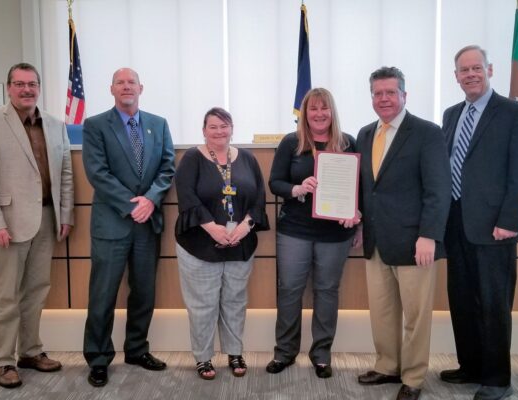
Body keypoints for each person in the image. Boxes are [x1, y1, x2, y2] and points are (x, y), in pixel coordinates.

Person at [440, 45, 518, 400]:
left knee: (494, 305)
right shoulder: (451, 115)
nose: (470, 75)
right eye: (463, 70)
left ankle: (497, 380)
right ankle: (471, 367)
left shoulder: (514, 113)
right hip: (455, 223)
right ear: (456, 76)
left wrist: (511, 220)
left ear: (490, 69)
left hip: (495, 227)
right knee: (462, 300)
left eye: (476, 68)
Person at [0, 63, 74, 388]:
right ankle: (4, 361)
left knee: (37, 291)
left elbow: (66, 173)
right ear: (9, 87)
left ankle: (30, 351)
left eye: (31, 84)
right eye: (19, 84)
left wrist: (65, 215)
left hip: (47, 219)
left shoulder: (56, 125)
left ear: (39, 87)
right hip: (9, 224)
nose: (26, 89)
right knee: (7, 296)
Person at [356, 67, 451, 400]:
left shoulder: (427, 132)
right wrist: (357, 221)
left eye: (390, 92)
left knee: (415, 315)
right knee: (381, 312)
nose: (384, 99)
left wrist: (429, 235)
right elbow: (368, 189)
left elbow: (438, 190)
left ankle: (412, 377)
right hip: (376, 240)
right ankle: (387, 365)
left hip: (415, 243)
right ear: (372, 98)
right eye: (378, 93)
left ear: (404, 95)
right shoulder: (366, 134)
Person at [82, 68, 175, 387]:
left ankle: (137, 349)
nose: (126, 87)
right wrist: (133, 204)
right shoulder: (95, 125)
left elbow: (167, 168)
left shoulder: (158, 124)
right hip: (112, 223)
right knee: (103, 294)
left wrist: (150, 199)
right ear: (111, 89)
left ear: (141, 88)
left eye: (131, 82)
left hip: (148, 224)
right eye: (120, 82)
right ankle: (97, 358)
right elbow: (97, 173)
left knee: (144, 292)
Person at [266, 88, 360, 379]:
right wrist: (296, 189)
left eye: (324, 108)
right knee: (290, 290)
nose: (319, 114)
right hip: (295, 230)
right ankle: (284, 352)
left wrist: (357, 216)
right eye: (313, 109)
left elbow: (361, 187)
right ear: (304, 113)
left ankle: (321, 355)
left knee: (327, 292)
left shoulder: (348, 143)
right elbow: (275, 183)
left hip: (335, 234)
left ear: (332, 112)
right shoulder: (291, 143)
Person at [174, 107, 269, 380]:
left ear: (232, 128)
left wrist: (246, 225)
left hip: (240, 240)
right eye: (213, 127)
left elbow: (258, 197)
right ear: (204, 130)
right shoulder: (192, 158)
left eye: (224, 126)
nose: (219, 131)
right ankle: (203, 358)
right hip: (199, 242)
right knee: (203, 305)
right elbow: (187, 196)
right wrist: (212, 227)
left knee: (235, 301)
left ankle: (234, 352)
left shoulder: (248, 158)